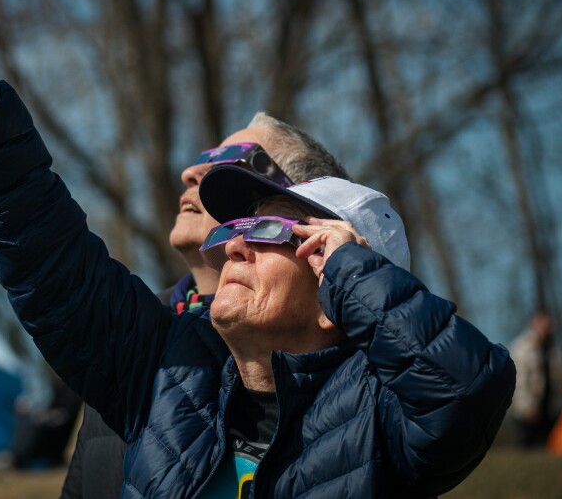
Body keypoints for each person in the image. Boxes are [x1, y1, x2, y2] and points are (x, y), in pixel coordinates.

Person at [0, 0, 516, 496]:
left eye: (273, 228)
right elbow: (50, 262)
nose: (237, 240)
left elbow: (465, 394)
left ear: (334, 276)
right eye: (238, 221)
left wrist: (354, 274)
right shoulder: (168, 371)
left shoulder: (382, 418)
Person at [63, 125, 348, 498]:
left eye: (229, 162)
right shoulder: (132, 333)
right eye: (202, 159)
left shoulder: (343, 370)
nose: (190, 173)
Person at [510, 309, 562, 448]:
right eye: (543, 322)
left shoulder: (554, 350)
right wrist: (527, 407)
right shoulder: (521, 348)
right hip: (528, 411)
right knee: (526, 449)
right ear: (534, 323)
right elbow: (519, 380)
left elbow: (558, 381)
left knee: (550, 448)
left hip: (550, 408)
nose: (547, 326)